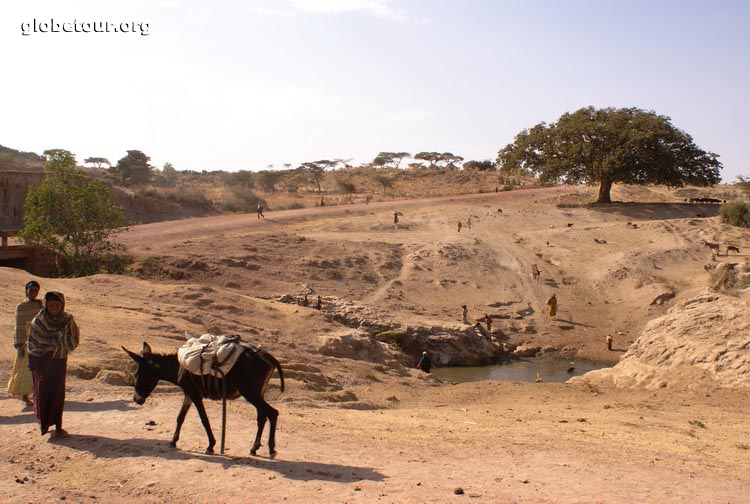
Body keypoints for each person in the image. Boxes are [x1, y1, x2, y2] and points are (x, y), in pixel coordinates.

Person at [27, 291, 80, 438]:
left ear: (62, 305)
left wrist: (59, 348)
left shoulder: (68, 320)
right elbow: (32, 346)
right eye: (51, 305)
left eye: (57, 305)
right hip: (42, 364)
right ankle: (44, 426)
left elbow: (73, 339)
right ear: (45, 305)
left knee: (58, 395)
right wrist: (35, 368)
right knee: (43, 395)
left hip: (59, 362)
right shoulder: (38, 322)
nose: (54, 308)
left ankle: (58, 426)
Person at [7, 280, 42, 407]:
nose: (33, 293)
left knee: (39, 369)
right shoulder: (21, 307)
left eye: (35, 290)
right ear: (26, 291)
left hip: (39, 342)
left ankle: (37, 395)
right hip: (25, 343)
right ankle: (25, 396)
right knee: (26, 370)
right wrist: (19, 343)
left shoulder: (40, 306)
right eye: (31, 290)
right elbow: (19, 326)